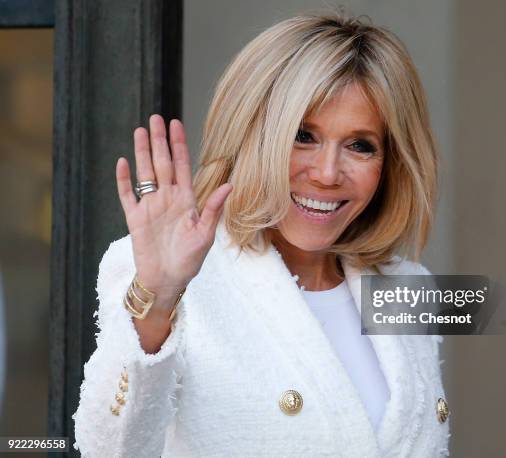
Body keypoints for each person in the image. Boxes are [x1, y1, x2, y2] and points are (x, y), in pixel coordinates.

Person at [72, 11, 450, 457]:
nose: (328, 174)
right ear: (252, 136)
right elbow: (109, 450)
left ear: (391, 164)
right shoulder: (174, 281)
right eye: (303, 136)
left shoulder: (408, 284)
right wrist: (158, 301)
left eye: (360, 145)